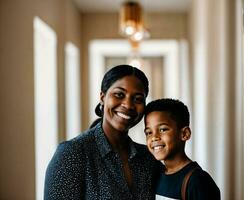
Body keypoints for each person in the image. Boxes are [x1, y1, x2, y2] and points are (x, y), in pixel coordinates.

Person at [44, 65, 162, 200]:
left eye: (138, 99)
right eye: (119, 94)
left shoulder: (148, 157)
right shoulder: (72, 153)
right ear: (102, 97)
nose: (128, 105)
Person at [144, 98, 220, 200]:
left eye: (163, 129)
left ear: (184, 134)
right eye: (149, 132)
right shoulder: (155, 176)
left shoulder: (198, 181)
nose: (154, 137)